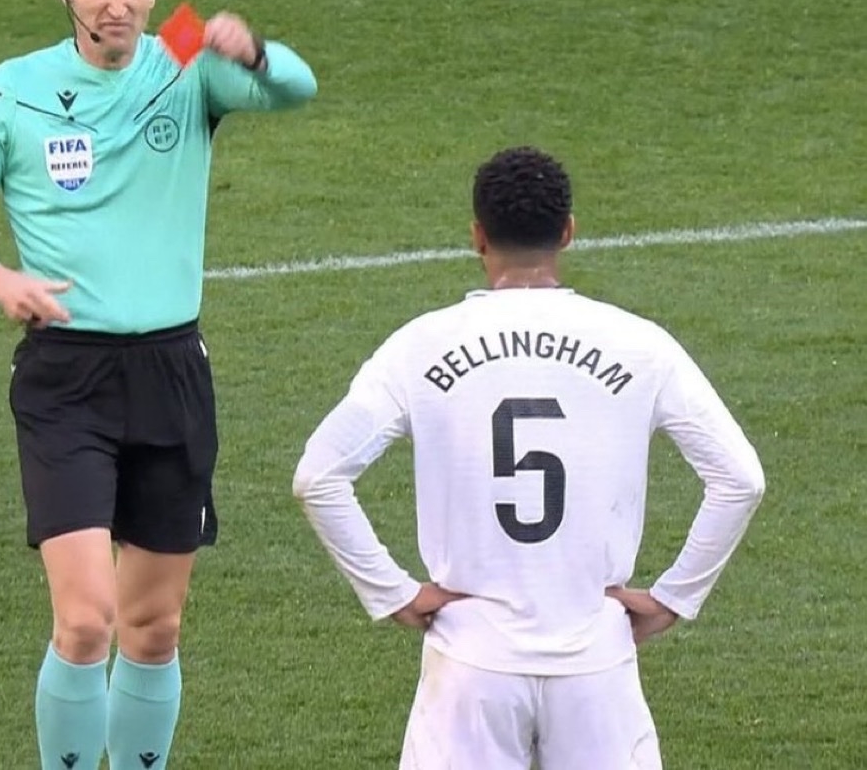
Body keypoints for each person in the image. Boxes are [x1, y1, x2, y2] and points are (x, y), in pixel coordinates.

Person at [0, 0, 317, 769]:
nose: (118, 5)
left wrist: (251, 50)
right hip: (66, 378)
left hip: (172, 370)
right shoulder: (13, 86)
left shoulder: (183, 57)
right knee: (86, 620)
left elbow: (298, 88)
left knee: (154, 626)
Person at [293, 146, 764, 769]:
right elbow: (740, 480)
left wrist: (393, 592)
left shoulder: (419, 345)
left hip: (470, 664)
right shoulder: (640, 344)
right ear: (567, 232)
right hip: (596, 661)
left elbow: (319, 476)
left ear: (477, 236)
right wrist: (676, 596)